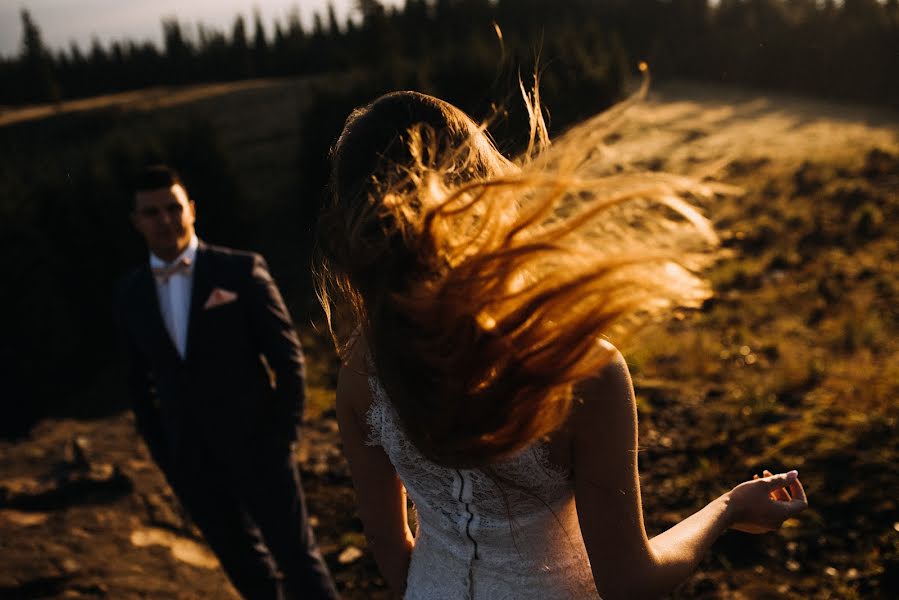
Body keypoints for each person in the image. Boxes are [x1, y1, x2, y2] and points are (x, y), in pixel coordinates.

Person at [315, 90, 808, 599]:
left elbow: (387, 540)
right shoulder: (581, 370)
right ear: (480, 192)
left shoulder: (360, 370)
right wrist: (729, 508)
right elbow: (629, 581)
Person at [115, 165, 339, 600]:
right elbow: (139, 387)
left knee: (299, 562)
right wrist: (168, 459)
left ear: (191, 210)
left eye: (173, 208)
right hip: (192, 462)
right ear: (136, 221)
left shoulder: (240, 271)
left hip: (261, 447)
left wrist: (282, 435)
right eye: (152, 212)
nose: (164, 219)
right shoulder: (129, 294)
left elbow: (289, 359)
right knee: (247, 573)